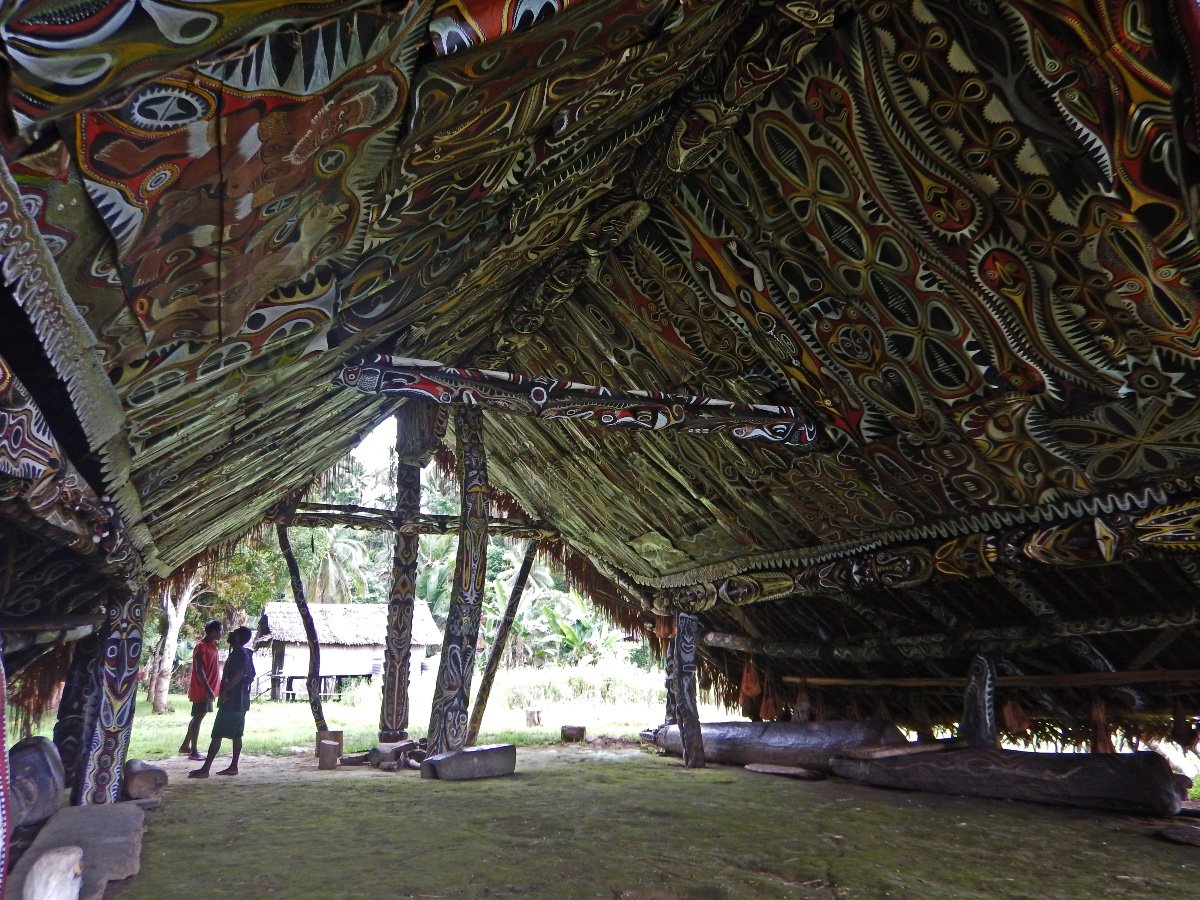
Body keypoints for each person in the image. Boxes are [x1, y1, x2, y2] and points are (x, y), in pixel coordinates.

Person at [189, 626, 256, 778]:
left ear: (238, 638)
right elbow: (250, 675)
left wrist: (225, 691)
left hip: (232, 700)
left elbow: (238, 674)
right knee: (237, 734)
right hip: (242, 700)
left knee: (217, 734)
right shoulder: (246, 653)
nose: (230, 634)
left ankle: (205, 769)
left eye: (234, 633)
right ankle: (233, 767)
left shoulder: (238, 654)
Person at [179, 620, 222, 761]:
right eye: (220, 631)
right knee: (198, 718)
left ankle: (186, 745)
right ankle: (194, 751)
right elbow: (200, 670)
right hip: (203, 689)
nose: (221, 633)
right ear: (213, 632)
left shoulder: (213, 647)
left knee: (198, 717)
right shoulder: (201, 647)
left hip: (208, 689)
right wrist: (208, 689)